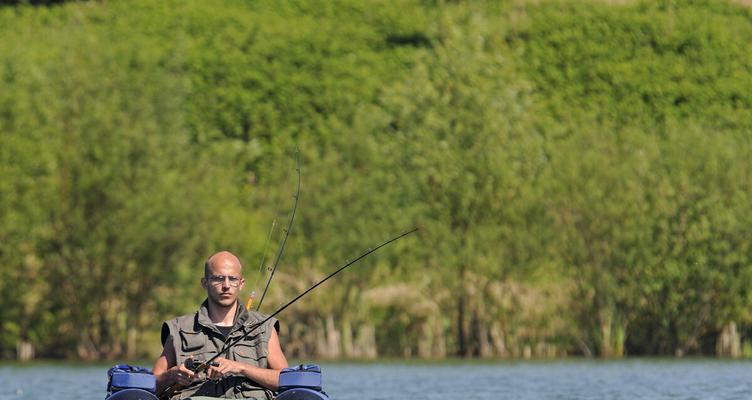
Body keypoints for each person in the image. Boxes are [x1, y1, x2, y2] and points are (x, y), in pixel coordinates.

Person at [153, 251, 288, 399]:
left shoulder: (264, 327)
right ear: (205, 283)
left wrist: (242, 368)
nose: (226, 285)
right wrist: (171, 376)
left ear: (241, 284)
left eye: (233, 279)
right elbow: (150, 385)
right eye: (219, 278)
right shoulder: (179, 329)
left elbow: (286, 380)